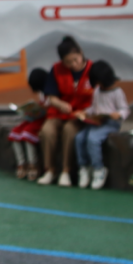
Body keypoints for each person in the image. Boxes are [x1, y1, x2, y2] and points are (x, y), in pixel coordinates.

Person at [36, 35, 94, 187]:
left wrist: (85, 112)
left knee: (69, 131)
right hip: (59, 113)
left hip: (80, 115)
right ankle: (50, 170)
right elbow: (51, 97)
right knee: (47, 131)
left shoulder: (93, 69)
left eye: (76, 59)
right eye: (68, 62)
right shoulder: (56, 69)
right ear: (62, 61)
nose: (73, 64)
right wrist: (60, 104)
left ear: (81, 53)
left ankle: (66, 171)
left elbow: (98, 97)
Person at [73, 60, 129, 190]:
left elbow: (125, 109)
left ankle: (98, 169)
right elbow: (94, 107)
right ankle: (84, 167)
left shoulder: (117, 92)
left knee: (93, 139)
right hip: (97, 122)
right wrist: (85, 112)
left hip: (111, 123)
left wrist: (118, 114)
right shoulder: (97, 91)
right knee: (79, 138)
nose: (99, 85)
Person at [7, 68, 49, 181]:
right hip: (36, 118)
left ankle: (33, 164)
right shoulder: (42, 93)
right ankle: (21, 163)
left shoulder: (51, 90)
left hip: (46, 119)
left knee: (27, 133)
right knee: (15, 131)